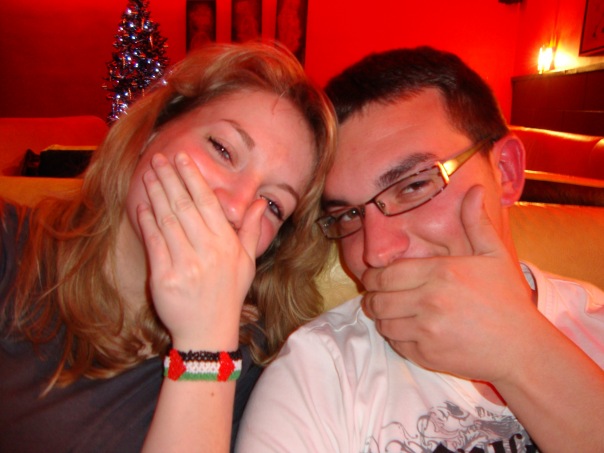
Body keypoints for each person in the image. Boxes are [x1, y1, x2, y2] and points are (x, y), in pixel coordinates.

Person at [236, 46, 604, 452]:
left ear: (506, 172)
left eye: (413, 185)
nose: (376, 252)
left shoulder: (596, 323)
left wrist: (522, 351)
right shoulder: (320, 372)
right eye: (349, 215)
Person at [0, 42, 336, 453]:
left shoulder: (260, 361)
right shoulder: (10, 244)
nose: (235, 208)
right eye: (223, 149)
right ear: (154, 130)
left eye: (272, 204)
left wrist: (206, 338)